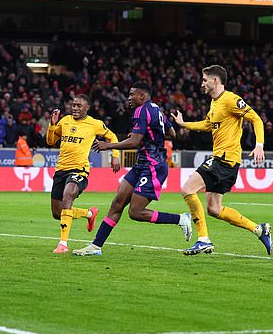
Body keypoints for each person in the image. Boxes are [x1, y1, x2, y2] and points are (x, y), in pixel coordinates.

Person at [73, 83, 192, 256]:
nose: (128, 98)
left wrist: (108, 145)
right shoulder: (157, 109)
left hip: (153, 166)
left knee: (135, 212)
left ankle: (181, 219)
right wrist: (149, 135)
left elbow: (134, 142)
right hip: (142, 164)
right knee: (117, 204)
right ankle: (95, 247)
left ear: (142, 96)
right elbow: (172, 133)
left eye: (131, 94)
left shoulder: (141, 110)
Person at [172, 65, 272, 256]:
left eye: (204, 80)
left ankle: (203, 240)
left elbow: (256, 119)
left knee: (187, 189)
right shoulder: (214, 102)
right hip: (227, 162)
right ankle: (260, 229)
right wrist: (184, 124)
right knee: (214, 209)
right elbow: (207, 125)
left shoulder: (231, 100)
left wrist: (259, 144)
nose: (202, 84)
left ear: (215, 80)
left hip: (224, 159)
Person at [46, 94, 121, 254]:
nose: (75, 108)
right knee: (57, 213)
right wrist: (52, 126)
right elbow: (51, 141)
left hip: (79, 169)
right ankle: (89, 214)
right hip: (61, 170)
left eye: (79, 106)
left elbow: (112, 136)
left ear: (87, 107)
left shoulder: (95, 124)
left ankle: (63, 244)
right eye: (73, 105)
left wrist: (115, 155)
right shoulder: (64, 121)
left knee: (68, 196)